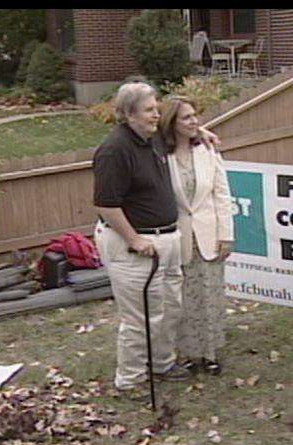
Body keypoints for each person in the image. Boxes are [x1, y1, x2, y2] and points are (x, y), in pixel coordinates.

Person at [92, 82, 192, 397]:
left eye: (156, 109)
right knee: (140, 317)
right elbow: (106, 205)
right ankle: (131, 379)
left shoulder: (152, 138)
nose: (156, 115)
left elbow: (183, 129)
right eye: (149, 110)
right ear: (129, 114)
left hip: (167, 239)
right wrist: (134, 239)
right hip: (134, 247)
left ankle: (162, 363)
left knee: (170, 307)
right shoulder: (114, 150)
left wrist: (204, 134)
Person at [159, 95, 234, 377]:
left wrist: (226, 234)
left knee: (210, 295)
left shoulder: (207, 150)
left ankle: (210, 353)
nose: (194, 121)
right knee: (183, 299)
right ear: (172, 123)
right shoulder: (159, 155)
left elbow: (222, 194)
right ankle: (188, 353)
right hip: (177, 237)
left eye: (195, 116)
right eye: (187, 117)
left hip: (209, 235)